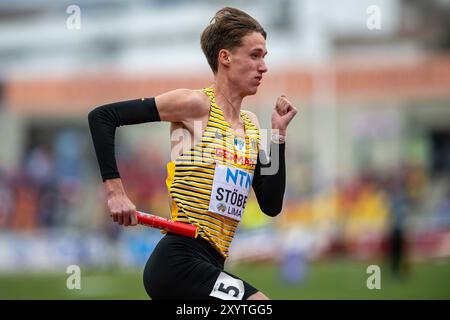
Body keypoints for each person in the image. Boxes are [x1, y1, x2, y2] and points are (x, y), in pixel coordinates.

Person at [88, 7, 298, 300]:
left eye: (264, 57)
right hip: (179, 259)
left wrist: (277, 136)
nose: (264, 66)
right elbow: (103, 117)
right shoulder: (196, 105)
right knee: (258, 304)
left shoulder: (251, 125)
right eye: (255, 55)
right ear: (225, 57)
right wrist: (115, 193)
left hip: (213, 260)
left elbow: (271, 204)